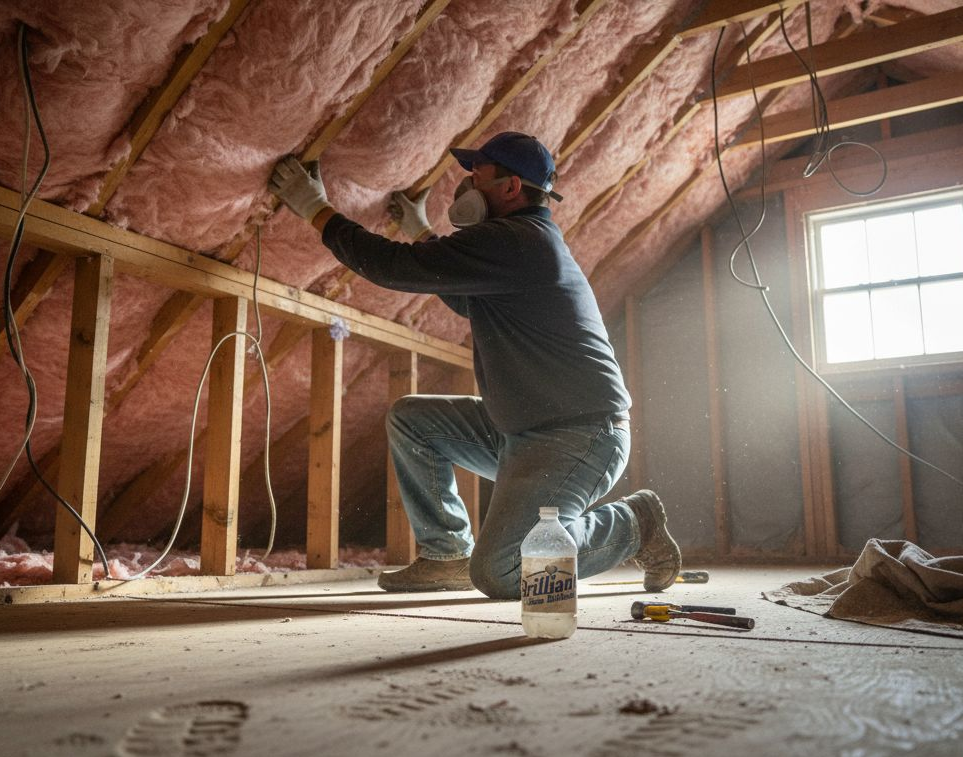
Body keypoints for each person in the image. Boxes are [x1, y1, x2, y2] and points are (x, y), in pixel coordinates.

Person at [268, 131, 680, 598]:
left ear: (510, 187)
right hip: (524, 430)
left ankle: (632, 524)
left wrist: (314, 209)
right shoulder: (515, 246)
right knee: (414, 421)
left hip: (579, 436)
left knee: (502, 571)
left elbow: (390, 266)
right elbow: (466, 299)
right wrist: (420, 231)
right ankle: (446, 554)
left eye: (477, 176)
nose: (467, 186)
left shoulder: (518, 239)